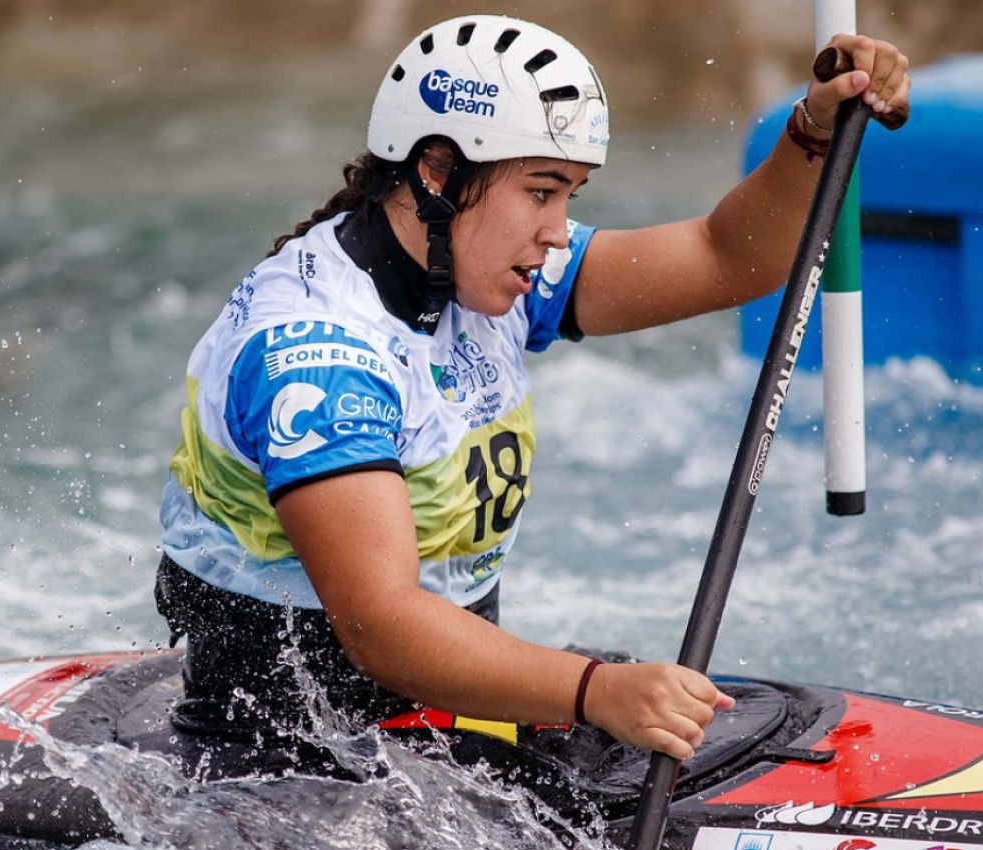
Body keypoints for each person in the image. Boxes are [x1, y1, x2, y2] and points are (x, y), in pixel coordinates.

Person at [156, 15, 910, 770]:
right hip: (283, 758)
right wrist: (596, 690)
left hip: (432, 720)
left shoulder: (480, 271)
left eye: (570, 194)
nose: (558, 230)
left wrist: (813, 131)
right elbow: (381, 623)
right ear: (437, 173)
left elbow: (724, 258)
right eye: (542, 192)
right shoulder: (319, 361)